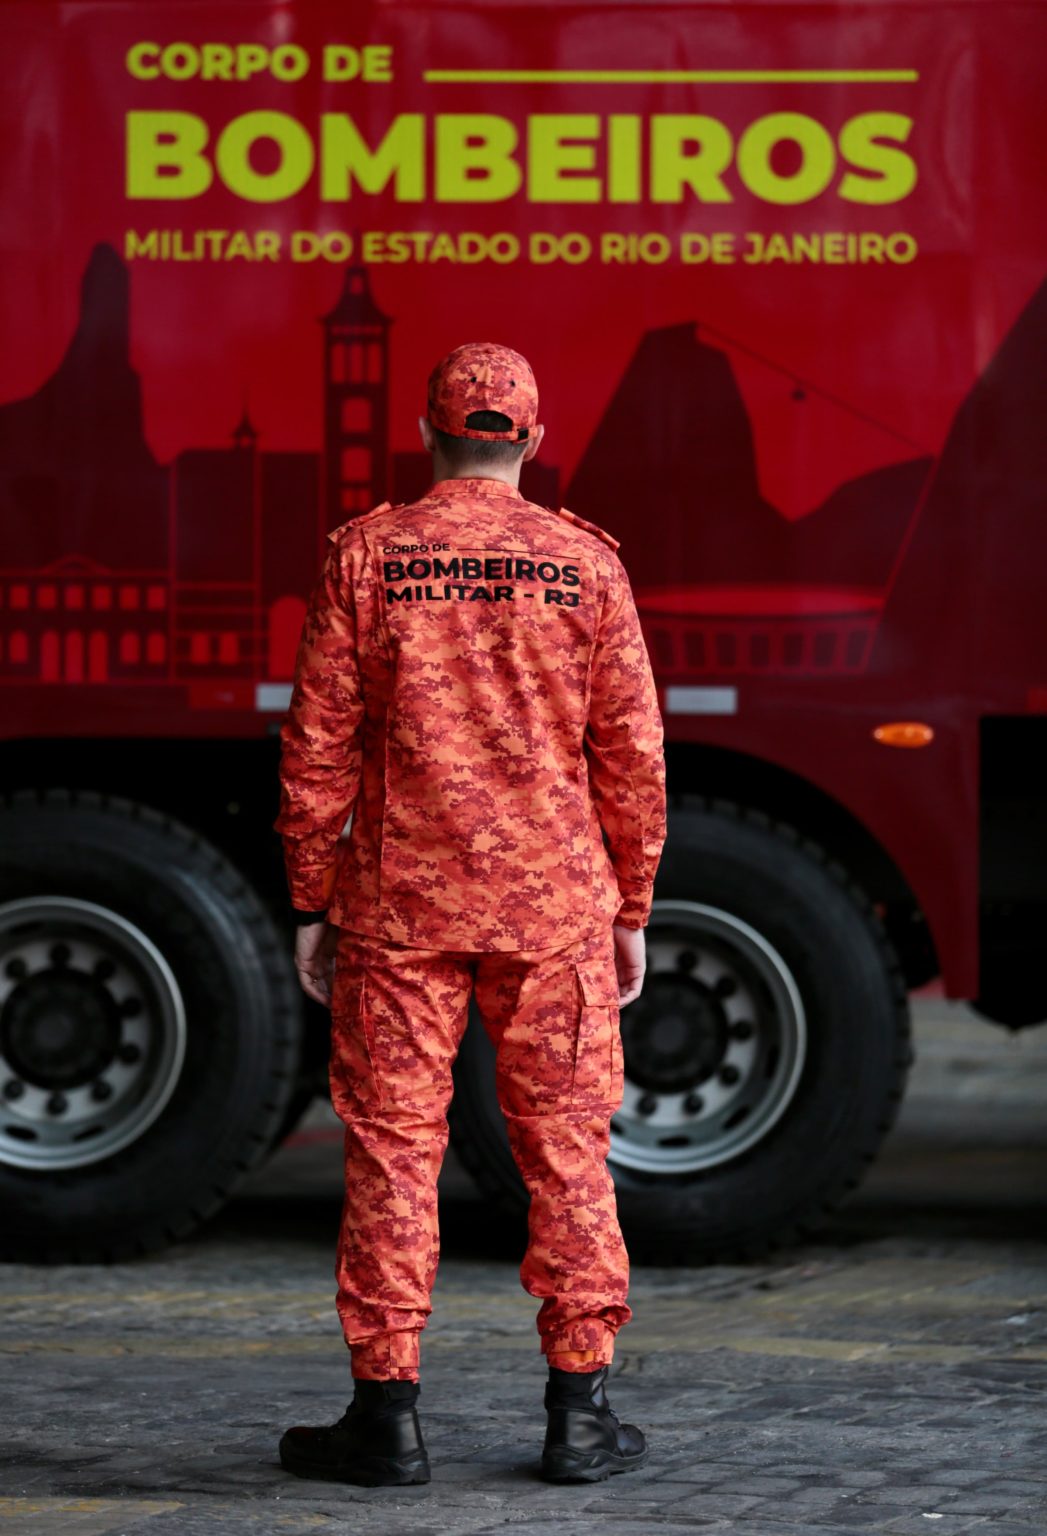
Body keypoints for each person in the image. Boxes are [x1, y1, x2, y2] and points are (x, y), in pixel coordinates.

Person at [272, 341, 666, 1487]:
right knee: (566, 1154)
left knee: (395, 1156)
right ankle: (580, 1416)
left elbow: (317, 746)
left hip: (400, 908)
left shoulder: (369, 557)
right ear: (535, 440)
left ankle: (386, 1421)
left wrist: (312, 896)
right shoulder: (587, 566)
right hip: (555, 913)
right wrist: (630, 902)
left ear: (430, 432)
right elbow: (631, 753)